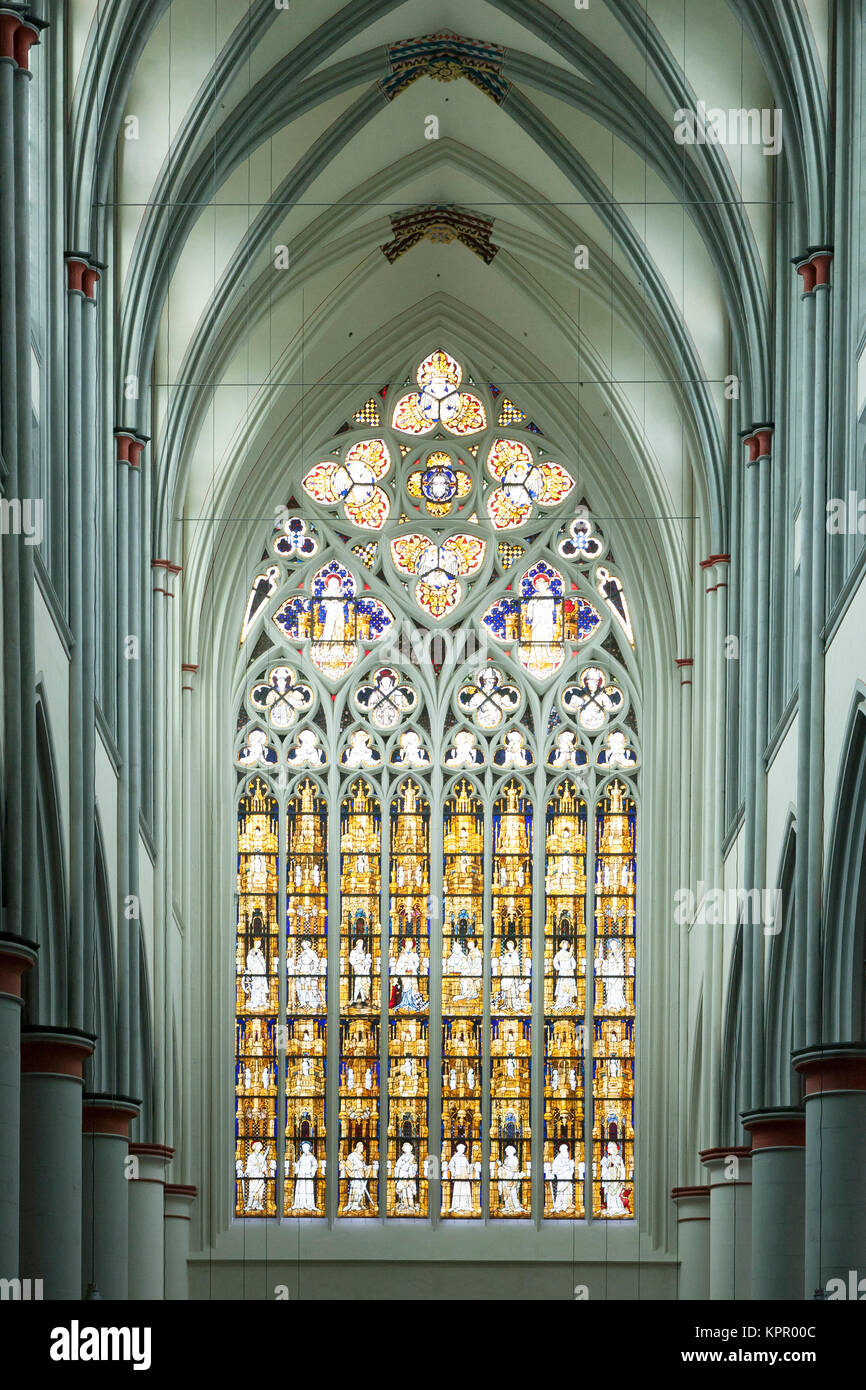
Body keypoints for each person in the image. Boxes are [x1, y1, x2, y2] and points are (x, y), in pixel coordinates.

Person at [289, 1142, 318, 1212]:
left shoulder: (312, 1157)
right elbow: (299, 1164)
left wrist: (311, 1171)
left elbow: (315, 1165)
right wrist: (295, 1165)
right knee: (300, 1189)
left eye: (306, 1147)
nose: (304, 1149)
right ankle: (299, 1204)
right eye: (303, 1147)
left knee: (308, 1190)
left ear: (309, 1148)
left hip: (307, 1175)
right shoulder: (302, 1156)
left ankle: (309, 1204)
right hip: (301, 1175)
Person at [446, 1143, 474, 1214]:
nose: (464, 1150)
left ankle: (464, 1205)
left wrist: (471, 1166)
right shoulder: (455, 1157)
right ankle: (457, 1205)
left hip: (464, 1175)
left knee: (465, 1190)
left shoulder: (464, 1157)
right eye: (463, 1149)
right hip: (458, 1175)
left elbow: (467, 1166)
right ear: (459, 1149)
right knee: (458, 1190)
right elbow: (450, 1166)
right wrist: (454, 1172)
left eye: (464, 1149)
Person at [243, 939, 269, 1010]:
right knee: (256, 986)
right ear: (255, 943)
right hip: (255, 972)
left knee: (262, 987)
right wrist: (251, 969)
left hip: (261, 972)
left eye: (259, 944)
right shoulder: (251, 952)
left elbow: (263, 962)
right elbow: (249, 961)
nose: (258, 945)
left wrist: (263, 969)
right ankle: (255, 1002)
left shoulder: (260, 952)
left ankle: (262, 1001)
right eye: (257, 943)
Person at [243, 1141, 269, 1212]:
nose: (260, 1148)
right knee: (252, 1191)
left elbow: (264, 1166)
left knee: (260, 1191)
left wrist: (264, 1171)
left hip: (260, 1176)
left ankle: (259, 1205)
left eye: (260, 1147)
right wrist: (247, 1172)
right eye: (258, 1146)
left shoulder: (262, 1157)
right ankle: (249, 1205)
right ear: (254, 1147)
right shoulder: (250, 1157)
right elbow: (249, 1167)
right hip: (253, 1176)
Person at [344, 1142, 371, 1210]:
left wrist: (367, 1168)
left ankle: (360, 1204)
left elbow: (363, 1166)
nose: (362, 1148)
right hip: (356, 1175)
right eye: (361, 1147)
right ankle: (354, 1205)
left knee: (361, 1191)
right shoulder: (352, 1155)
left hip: (361, 1176)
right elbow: (347, 1163)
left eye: (363, 1147)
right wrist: (354, 1168)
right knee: (356, 1189)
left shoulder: (362, 1156)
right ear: (357, 1147)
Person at [394, 1143, 418, 1212]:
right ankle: (405, 1205)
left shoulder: (413, 1157)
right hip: (402, 1176)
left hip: (410, 1177)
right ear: (403, 1149)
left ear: (411, 1148)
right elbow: (397, 1167)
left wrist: (412, 1175)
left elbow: (415, 1167)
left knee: (409, 1191)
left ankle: (411, 1205)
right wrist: (397, 1177)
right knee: (404, 1191)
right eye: (405, 1147)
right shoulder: (401, 1158)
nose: (406, 1148)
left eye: (408, 1147)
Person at [551, 1144, 575, 1212]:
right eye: (565, 1149)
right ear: (561, 1150)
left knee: (567, 1192)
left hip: (567, 1178)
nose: (566, 1151)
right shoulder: (558, 1158)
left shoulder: (566, 1158)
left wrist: (570, 1166)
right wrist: (566, 1168)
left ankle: (566, 1205)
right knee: (560, 1192)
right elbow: (555, 1169)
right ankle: (559, 1206)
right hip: (562, 1178)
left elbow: (570, 1169)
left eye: (567, 1149)